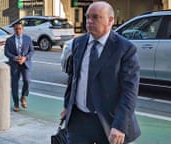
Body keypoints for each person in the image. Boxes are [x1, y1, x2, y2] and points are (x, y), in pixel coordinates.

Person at [60, 1, 141, 144]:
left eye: (96, 17)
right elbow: (73, 78)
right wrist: (67, 105)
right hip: (79, 120)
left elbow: (129, 91)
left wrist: (119, 126)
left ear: (110, 20)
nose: (89, 21)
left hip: (109, 122)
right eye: (87, 17)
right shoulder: (78, 43)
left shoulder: (125, 49)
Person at [4, 22, 34, 112]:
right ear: (14, 29)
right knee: (14, 84)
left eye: (20, 29)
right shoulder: (9, 40)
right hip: (14, 64)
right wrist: (13, 57)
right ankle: (16, 103)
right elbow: (6, 52)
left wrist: (25, 58)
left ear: (22, 29)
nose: (18, 31)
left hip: (25, 63)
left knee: (27, 81)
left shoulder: (27, 39)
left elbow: (32, 51)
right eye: (16, 29)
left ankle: (23, 97)